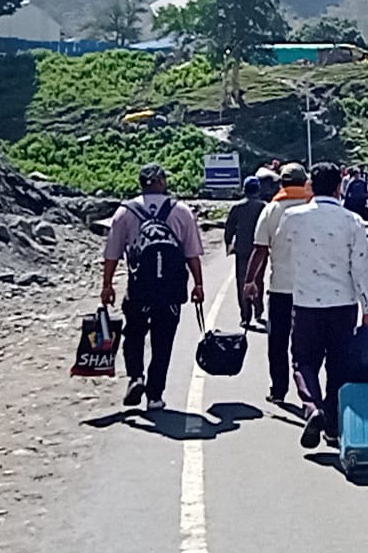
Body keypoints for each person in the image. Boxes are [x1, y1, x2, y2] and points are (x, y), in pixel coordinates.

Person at [276, 162, 368, 449]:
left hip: (306, 302)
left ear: (310, 186)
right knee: (339, 366)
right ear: (339, 187)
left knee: (303, 361)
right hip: (343, 305)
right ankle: (332, 427)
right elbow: (361, 268)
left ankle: (312, 408)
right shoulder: (352, 221)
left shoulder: (292, 218)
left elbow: (282, 251)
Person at [100, 164, 205, 410]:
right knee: (163, 342)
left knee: (134, 335)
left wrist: (107, 285)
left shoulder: (125, 212)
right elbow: (192, 254)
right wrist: (198, 284)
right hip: (170, 291)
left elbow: (112, 254)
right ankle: (155, 395)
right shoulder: (180, 211)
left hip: (139, 288)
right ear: (161, 181)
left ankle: (136, 377)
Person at [245, 163, 312, 404]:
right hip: (311, 289)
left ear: (281, 184)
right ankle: (309, 391)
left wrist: (251, 281)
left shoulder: (272, 210)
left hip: (281, 287)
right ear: (305, 182)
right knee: (307, 343)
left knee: (278, 341)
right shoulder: (312, 206)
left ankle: (279, 389)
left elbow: (260, 250)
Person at [224, 176, 266, 328]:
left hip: (242, 250)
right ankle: (259, 311)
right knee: (258, 280)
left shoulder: (237, 207)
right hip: (260, 249)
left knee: (242, 281)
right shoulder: (263, 206)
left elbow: (229, 228)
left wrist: (228, 244)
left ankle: (245, 316)